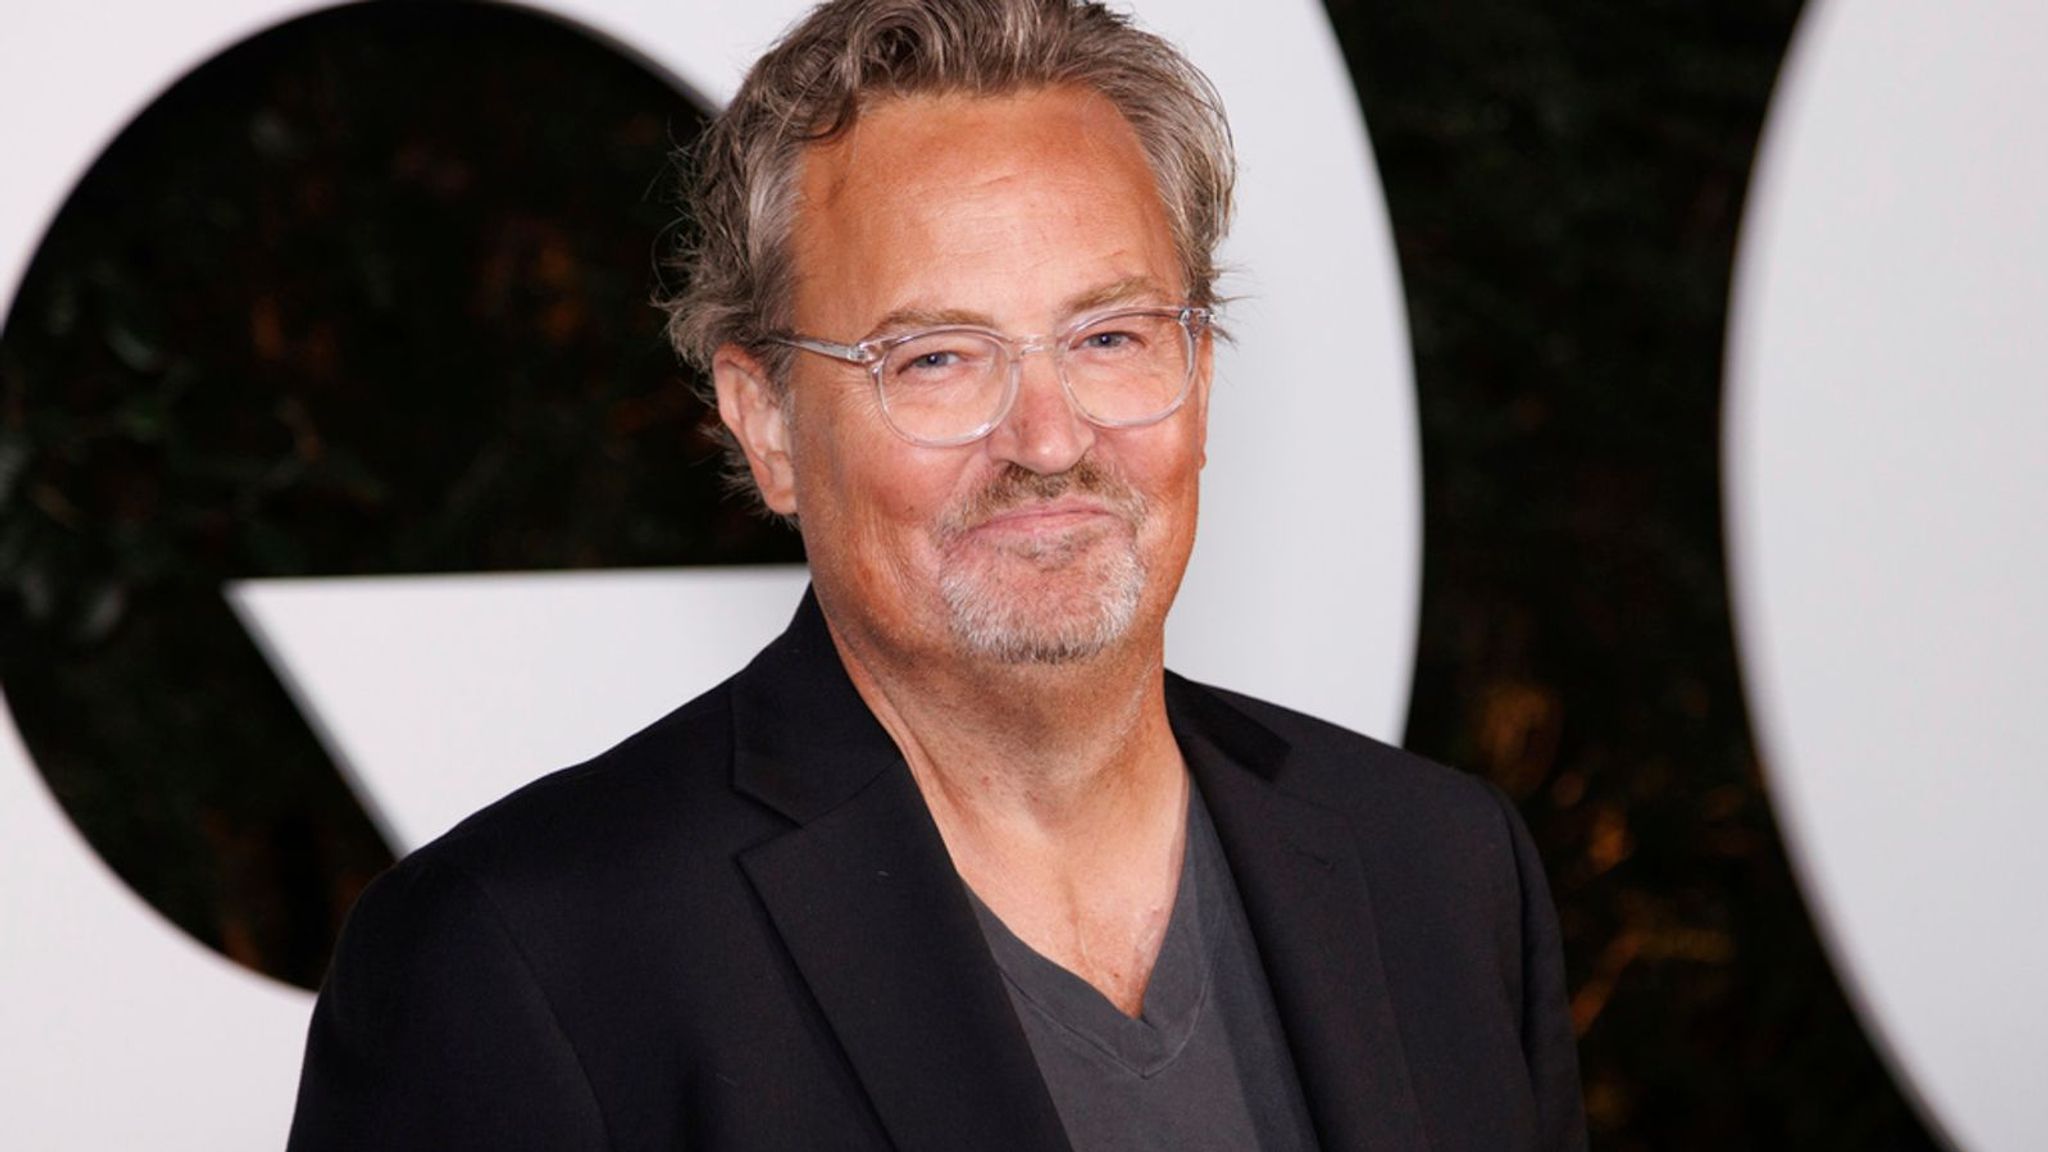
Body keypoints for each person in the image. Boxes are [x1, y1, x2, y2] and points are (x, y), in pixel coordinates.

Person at [286, 1, 1587, 1149]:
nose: (1050, 441)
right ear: (770, 424)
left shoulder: (1438, 870)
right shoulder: (527, 961)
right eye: (937, 359)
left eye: (1113, 334)